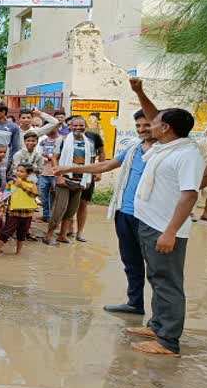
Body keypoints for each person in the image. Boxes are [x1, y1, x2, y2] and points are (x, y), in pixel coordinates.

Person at [125, 77, 207, 357]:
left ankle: (168, 341)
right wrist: (139, 92)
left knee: (168, 283)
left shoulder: (187, 154)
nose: (150, 124)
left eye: (155, 122)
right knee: (157, 277)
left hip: (164, 228)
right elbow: (152, 114)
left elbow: (190, 195)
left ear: (167, 128)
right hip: (151, 224)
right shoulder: (167, 146)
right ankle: (157, 325)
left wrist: (170, 232)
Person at [56, 109, 155, 315]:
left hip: (152, 217)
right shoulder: (134, 148)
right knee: (131, 262)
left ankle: (162, 324)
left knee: (157, 270)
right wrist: (67, 169)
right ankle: (135, 303)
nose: (142, 129)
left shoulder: (168, 151)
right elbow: (106, 164)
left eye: (147, 125)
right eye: (138, 126)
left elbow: (203, 179)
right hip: (125, 212)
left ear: (161, 125)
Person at [45, 116, 94, 246]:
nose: (78, 128)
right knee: (59, 209)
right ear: (70, 127)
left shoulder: (89, 143)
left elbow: (91, 162)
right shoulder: (63, 140)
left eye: (81, 125)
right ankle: (49, 235)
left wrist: (87, 180)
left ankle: (62, 235)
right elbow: (55, 158)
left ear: (85, 127)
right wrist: (58, 176)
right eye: (75, 126)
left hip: (80, 181)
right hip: (65, 179)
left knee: (71, 210)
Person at [0, 163, 39, 255]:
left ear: (29, 174)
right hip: (13, 213)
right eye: (17, 171)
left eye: (22, 171)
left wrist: (22, 186)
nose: (18, 173)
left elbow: (34, 195)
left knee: (22, 234)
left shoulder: (32, 185)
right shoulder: (11, 184)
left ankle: (18, 253)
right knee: (6, 233)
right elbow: (4, 197)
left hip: (27, 214)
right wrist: (1, 210)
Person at [36, 126, 61, 222]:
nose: (49, 129)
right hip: (44, 172)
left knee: (57, 195)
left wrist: (49, 157)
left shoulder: (61, 140)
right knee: (43, 195)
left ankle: (56, 216)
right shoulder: (43, 141)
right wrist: (49, 157)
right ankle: (46, 215)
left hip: (57, 173)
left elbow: (59, 156)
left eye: (51, 127)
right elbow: (39, 154)